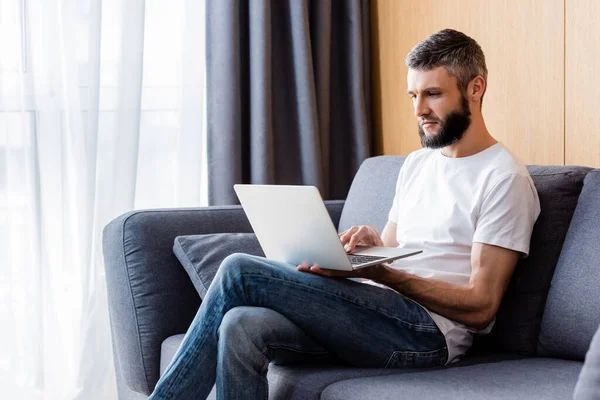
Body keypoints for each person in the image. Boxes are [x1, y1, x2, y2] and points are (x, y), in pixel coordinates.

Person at [148, 28, 541, 400]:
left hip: (427, 335)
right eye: (413, 96)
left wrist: (382, 272)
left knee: (239, 270)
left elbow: (481, 305)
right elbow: (394, 248)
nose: (419, 109)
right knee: (241, 326)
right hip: (376, 314)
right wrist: (370, 248)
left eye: (432, 94)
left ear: (475, 88)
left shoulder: (502, 178)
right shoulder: (419, 164)